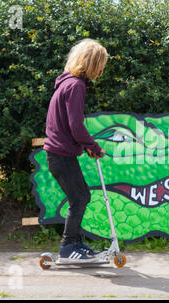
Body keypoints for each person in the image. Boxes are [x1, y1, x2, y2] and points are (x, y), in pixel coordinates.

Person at [43, 38, 107, 262]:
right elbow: (76, 126)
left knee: (80, 197)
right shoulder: (76, 86)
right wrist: (94, 147)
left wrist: (84, 146)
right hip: (61, 155)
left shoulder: (66, 83)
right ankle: (68, 248)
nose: (101, 70)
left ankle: (76, 244)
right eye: (101, 64)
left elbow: (67, 126)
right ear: (92, 63)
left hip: (60, 154)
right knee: (79, 199)